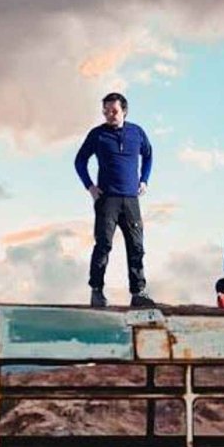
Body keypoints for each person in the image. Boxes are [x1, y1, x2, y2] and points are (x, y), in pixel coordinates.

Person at [74, 92, 154, 308]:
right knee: (104, 244)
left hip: (130, 199)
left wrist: (144, 180)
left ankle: (138, 292)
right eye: (106, 111)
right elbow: (80, 161)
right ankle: (97, 290)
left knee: (136, 246)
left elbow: (148, 155)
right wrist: (90, 187)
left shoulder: (137, 133)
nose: (109, 115)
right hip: (107, 198)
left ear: (124, 111)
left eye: (114, 111)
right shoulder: (97, 135)